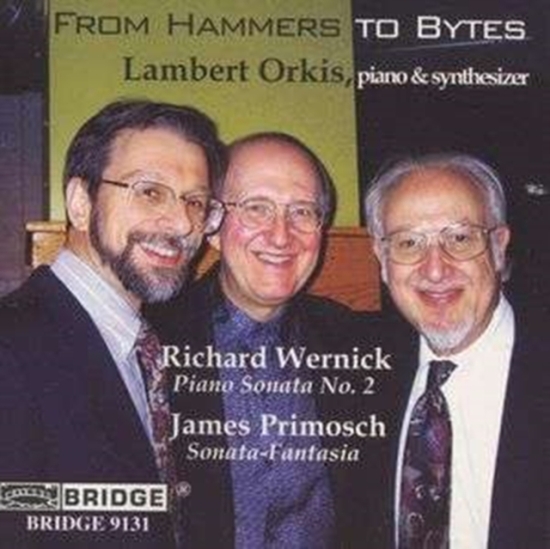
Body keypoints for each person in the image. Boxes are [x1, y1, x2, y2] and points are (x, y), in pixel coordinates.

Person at [0, 99, 225, 549]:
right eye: (150, 191)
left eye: (196, 202)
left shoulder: (146, 344)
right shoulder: (11, 351)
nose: (182, 223)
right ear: (81, 203)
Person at [149, 132, 384, 548]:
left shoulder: (356, 344)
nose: (281, 236)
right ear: (214, 225)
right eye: (257, 208)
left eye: (302, 212)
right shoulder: (149, 341)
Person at [364, 152, 548, 548]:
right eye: (409, 242)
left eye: (460, 238)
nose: (435, 269)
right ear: (382, 259)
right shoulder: (363, 374)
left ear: (498, 247)